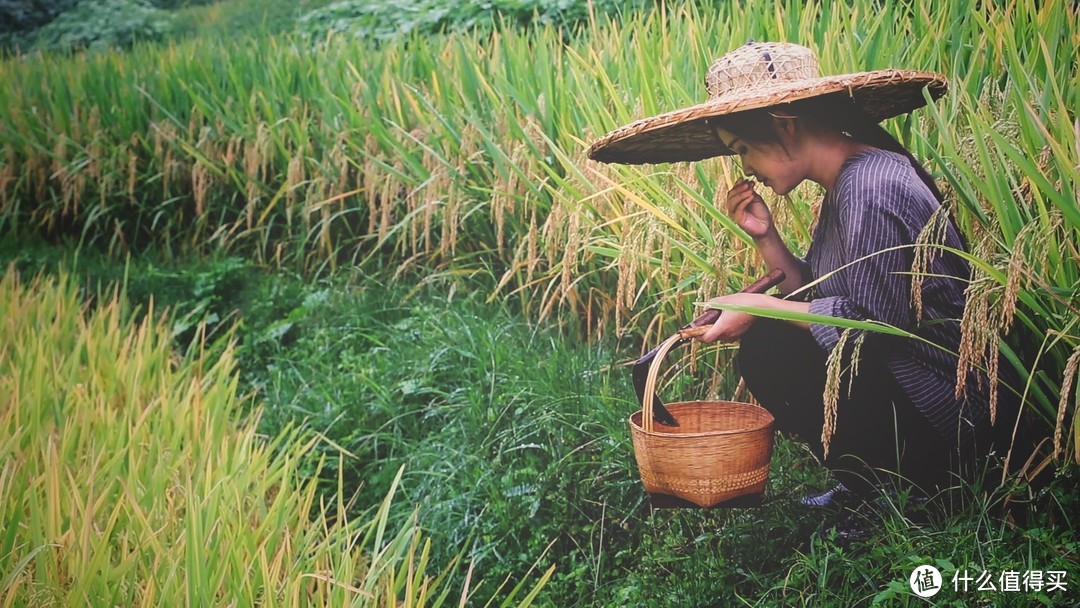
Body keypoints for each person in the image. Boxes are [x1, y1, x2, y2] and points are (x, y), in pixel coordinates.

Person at [588, 41, 1007, 507]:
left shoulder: (870, 186)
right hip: (909, 383)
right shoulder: (846, 183)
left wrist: (758, 308)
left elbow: (875, 328)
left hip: (946, 406)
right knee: (775, 340)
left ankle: (915, 488)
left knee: (771, 348)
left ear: (785, 124)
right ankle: (874, 483)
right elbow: (823, 294)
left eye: (744, 148)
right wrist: (765, 238)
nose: (745, 168)